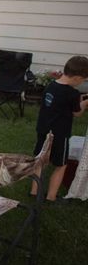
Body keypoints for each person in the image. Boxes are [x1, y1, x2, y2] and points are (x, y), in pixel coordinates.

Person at [30, 56, 88, 205]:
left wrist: (77, 101)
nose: (83, 82)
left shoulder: (50, 86)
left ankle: (33, 192)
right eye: (83, 80)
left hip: (43, 130)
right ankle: (51, 197)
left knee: (41, 161)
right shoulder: (72, 94)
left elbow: (58, 105)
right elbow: (77, 112)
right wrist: (85, 103)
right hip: (60, 134)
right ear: (76, 78)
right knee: (61, 165)